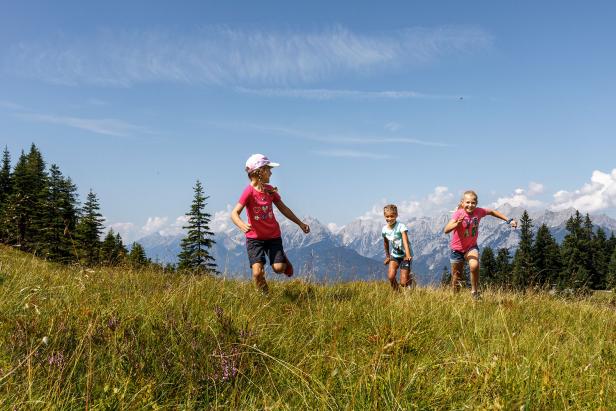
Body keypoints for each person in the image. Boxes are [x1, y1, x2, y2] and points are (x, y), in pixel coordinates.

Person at [231, 154, 310, 293]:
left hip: (273, 236)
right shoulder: (249, 192)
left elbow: (283, 208)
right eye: (268, 169)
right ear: (260, 172)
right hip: (254, 239)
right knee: (257, 273)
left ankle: (283, 260)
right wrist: (241, 224)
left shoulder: (270, 190)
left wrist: (300, 223)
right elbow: (234, 213)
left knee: (279, 269)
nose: (271, 172)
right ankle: (265, 297)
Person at [443, 190, 517, 300]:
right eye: (467, 202)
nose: (470, 205)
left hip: (471, 247)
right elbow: (446, 230)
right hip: (457, 250)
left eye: (473, 203)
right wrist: (456, 224)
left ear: (476, 203)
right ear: (462, 203)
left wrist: (508, 220)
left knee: (474, 265)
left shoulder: (479, 212)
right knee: (456, 277)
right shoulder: (458, 214)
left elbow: (492, 212)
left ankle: (474, 292)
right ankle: (455, 298)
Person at [382, 204, 414, 291]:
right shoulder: (384, 229)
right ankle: (397, 294)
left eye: (392, 216)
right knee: (391, 276)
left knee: (403, 283)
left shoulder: (401, 226)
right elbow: (385, 242)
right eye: (387, 216)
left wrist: (407, 255)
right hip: (394, 255)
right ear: (384, 216)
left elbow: (405, 241)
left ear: (396, 215)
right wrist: (388, 256)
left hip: (404, 256)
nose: (389, 218)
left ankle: (410, 279)